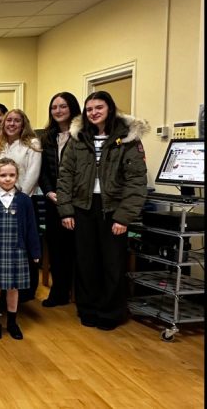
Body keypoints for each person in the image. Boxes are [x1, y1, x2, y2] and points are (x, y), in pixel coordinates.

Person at [57, 90, 148, 331]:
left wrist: (124, 217)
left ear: (109, 109)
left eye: (99, 107)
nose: (94, 112)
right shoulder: (77, 140)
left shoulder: (128, 139)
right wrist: (66, 211)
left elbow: (136, 181)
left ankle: (110, 312)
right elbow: (65, 176)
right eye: (89, 109)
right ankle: (87, 308)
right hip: (83, 208)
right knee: (86, 262)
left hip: (113, 210)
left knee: (112, 263)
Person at [0, 158, 42, 340]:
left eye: (12, 175)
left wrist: (35, 252)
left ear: (17, 176)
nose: (8, 179)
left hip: (17, 251)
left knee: (13, 288)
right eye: (3, 175)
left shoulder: (25, 201)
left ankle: (12, 322)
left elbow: (31, 228)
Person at [38, 92, 82, 308]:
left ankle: (80, 294)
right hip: (52, 200)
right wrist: (49, 192)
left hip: (78, 201)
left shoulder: (83, 135)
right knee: (57, 249)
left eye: (63, 106)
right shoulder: (47, 137)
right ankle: (59, 292)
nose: (58, 111)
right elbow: (43, 170)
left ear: (72, 108)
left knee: (79, 249)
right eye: (54, 107)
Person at [0, 109, 42, 196]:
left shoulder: (33, 144)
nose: (12, 124)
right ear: (4, 124)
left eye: (17, 121)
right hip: (0, 198)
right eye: (9, 120)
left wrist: (20, 198)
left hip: (23, 197)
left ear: (23, 125)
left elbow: (33, 174)